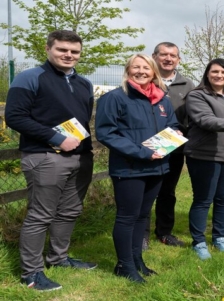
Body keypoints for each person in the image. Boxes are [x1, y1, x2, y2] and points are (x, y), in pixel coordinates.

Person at [5, 30, 96, 292]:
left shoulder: (84, 83)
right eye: (62, 50)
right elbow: (15, 116)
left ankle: (58, 258)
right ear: (48, 49)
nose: (68, 55)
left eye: (74, 51)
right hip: (45, 157)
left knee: (69, 211)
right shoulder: (30, 77)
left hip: (80, 157)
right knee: (41, 215)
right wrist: (55, 138)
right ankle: (31, 273)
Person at [95, 54, 180, 282]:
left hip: (158, 167)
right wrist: (142, 152)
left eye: (146, 68)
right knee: (127, 216)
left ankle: (136, 260)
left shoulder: (162, 99)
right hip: (129, 168)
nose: (141, 71)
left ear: (153, 72)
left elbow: (171, 124)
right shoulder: (115, 98)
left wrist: (176, 133)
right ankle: (124, 265)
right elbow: (106, 132)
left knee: (142, 216)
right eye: (136, 67)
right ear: (128, 70)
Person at [184, 58, 224, 260]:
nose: (219, 75)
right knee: (203, 200)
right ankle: (199, 241)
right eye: (215, 72)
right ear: (207, 74)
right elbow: (205, 120)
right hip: (205, 156)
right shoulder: (196, 95)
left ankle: (219, 237)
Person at [142, 42, 195, 250]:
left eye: (173, 55)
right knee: (145, 192)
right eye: (163, 54)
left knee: (167, 192)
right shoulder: (145, 79)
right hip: (146, 148)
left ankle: (164, 232)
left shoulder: (187, 85)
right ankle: (142, 235)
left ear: (178, 60)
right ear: (154, 56)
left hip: (174, 148)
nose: (168, 58)